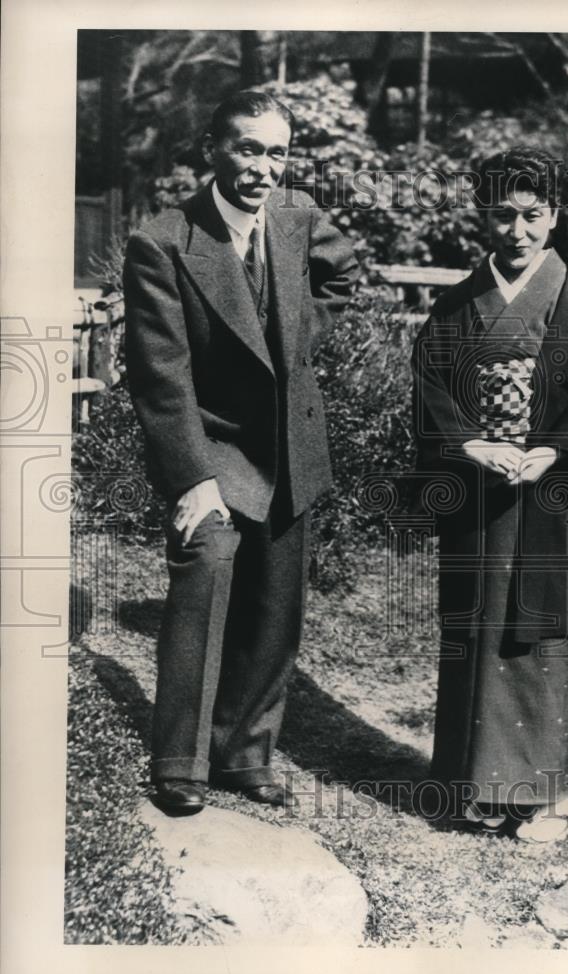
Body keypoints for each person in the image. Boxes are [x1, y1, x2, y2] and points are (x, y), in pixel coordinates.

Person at [123, 90, 359, 814]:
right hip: (208, 440)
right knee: (206, 576)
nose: (263, 167)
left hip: (288, 443)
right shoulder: (162, 240)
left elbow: (341, 277)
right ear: (214, 149)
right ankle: (181, 762)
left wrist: (291, 349)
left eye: (277, 152)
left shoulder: (298, 219)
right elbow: (161, 376)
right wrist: (191, 477)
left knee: (274, 604)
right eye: (248, 148)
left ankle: (243, 752)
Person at [411, 147, 568, 842]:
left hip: (550, 491)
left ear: (554, 216)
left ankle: (547, 796)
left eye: (533, 215)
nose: (518, 230)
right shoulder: (454, 305)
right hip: (479, 487)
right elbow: (431, 385)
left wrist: (556, 451)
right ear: (484, 215)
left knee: (544, 633)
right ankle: (474, 788)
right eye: (503, 215)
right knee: (475, 630)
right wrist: (467, 443)